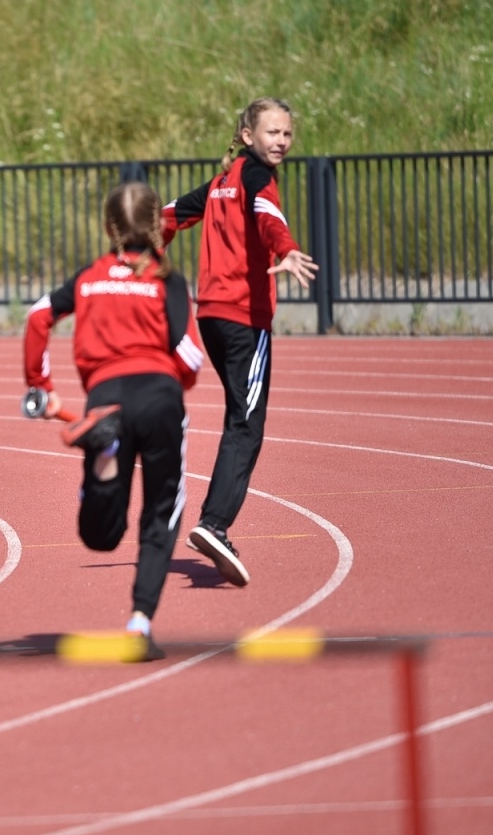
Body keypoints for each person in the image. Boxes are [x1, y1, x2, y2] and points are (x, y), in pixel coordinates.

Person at [22, 181, 206, 645]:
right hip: (161, 397)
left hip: (106, 397)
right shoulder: (168, 279)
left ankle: (104, 464)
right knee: (161, 514)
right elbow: (189, 356)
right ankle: (140, 623)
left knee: (101, 537)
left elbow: (38, 316)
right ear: (156, 226)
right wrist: (171, 384)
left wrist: (40, 387)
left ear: (108, 227)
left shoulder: (88, 277)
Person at [159, 97, 318, 588]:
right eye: (272, 133)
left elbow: (166, 216)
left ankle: (214, 523)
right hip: (244, 319)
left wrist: (134, 256)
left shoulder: (218, 186)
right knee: (247, 424)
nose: (282, 142)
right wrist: (287, 250)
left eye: (287, 134)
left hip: (212, 315)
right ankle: (215, 524)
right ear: (248, 135)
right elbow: (269, 215)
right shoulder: (253, 178)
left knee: (238, 418)